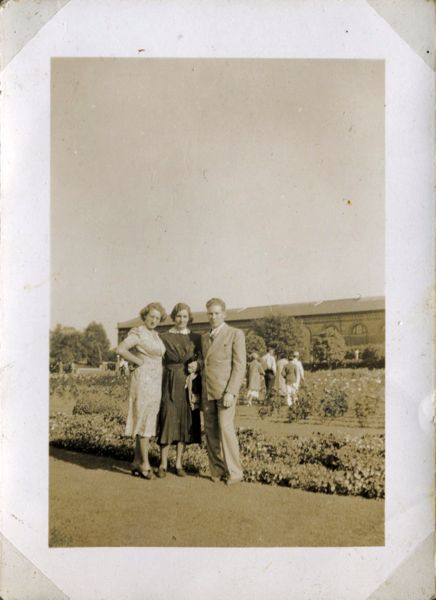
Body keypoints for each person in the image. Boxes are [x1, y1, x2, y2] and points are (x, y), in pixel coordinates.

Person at [117, 302, 167, 480]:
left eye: (157, 318)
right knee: (145, 419)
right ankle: (145, 464)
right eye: (151, 316)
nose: (154, 320)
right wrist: (137, 362)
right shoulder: (138, 332)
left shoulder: (154, 335)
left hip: (155, 383)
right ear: (145, 316)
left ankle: (136, 460)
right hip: (143, 381)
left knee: (147, 418)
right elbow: (121, 349)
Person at [200, 298, 246, 485]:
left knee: (226, 429)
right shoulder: (204, 337)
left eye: (217, 313)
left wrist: (231, 391)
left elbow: (240, 365)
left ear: (224, 314)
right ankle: (216, 470)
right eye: (210, 313)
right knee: (210, 432)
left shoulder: (235, 334)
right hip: (208, 391)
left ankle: (235, 472)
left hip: (225, 392)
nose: (213, 317)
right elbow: (208, 362)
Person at [156, 302, 202, 478]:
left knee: (185, 420)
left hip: (188, 384)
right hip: (168, 381)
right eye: (178, 316)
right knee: (168, 418)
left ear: (189, 318)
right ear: (173, 317)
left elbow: (204, 360)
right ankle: (162, 464)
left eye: (184, 316)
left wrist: (197, 366)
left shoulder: (196, 338)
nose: (181, 319)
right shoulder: (164, 337)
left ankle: (179, 464)